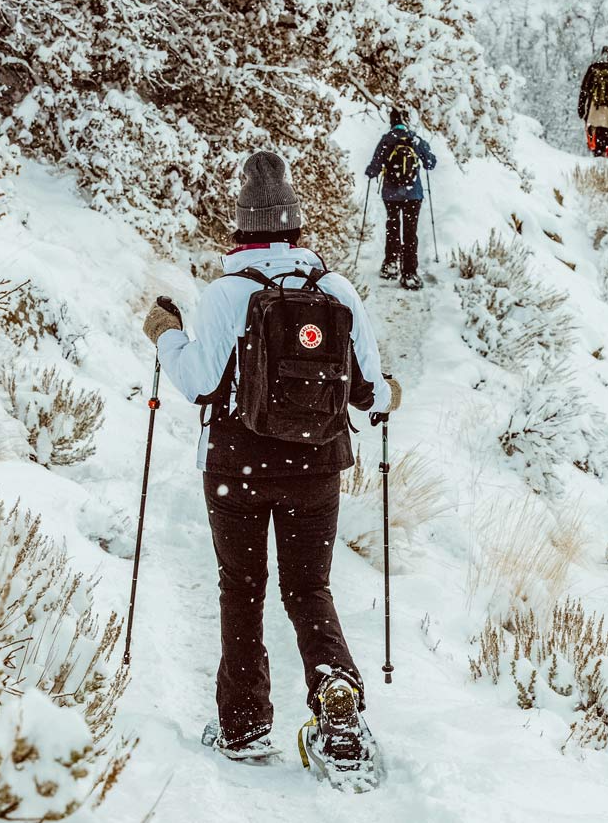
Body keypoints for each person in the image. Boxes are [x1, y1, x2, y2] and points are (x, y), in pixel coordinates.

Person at [141, 150, 401, 770]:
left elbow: (201, 384)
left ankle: (244, 725)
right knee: (309, 586)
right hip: (316, 468)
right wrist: (391, 395)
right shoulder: (335, 290)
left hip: (237, 468)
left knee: (243, 588)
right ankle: (336, 691)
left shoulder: (226, 293)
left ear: (240, 228)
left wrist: (165, 334)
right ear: (295, 225)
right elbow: (370, 392)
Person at [364, 108, 437, 291]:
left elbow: (375, 166)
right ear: (407, 120)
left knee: (393, 227)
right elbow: (430, 163)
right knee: (410, 233)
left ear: (391, 121)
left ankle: (390, 264)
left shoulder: (387, 139)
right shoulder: (414, 139)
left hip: (391, 195)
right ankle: (409, 273)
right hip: (413, 195)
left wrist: (371, 172)